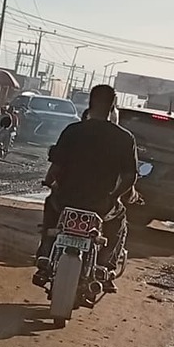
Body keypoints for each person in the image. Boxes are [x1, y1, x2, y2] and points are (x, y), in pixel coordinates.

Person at [35, 83, 139, 284]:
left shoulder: (73, 131)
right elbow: (130, 177)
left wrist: (49, 182)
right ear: (112, 107)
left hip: (66, 198)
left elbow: (56, 165)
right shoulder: (125, 138)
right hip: (101, 203)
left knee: (50, 207)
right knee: (120, 217)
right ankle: (104, 266)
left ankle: (46, 254)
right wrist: (115, 195)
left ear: (90, 104)